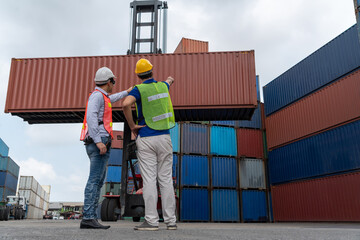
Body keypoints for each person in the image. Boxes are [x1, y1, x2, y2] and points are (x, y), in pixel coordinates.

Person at [122, 58, 177, 231]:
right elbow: (168, 82)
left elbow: (125, 104)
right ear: (152, 71)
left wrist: (132, 126)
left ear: (138, 75)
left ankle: (152, 221)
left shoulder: (139, 89)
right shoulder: (162, 86)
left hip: (146, 137)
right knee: (166, 180)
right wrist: (169, 80)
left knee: (150, 180)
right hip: (164, 138)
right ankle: (171, 221)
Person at [80, 66, 132, 229]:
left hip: (101, 140)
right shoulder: (97, 97)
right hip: (99, 142)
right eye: (113, 82)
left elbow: (112, 98)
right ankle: (88, 217)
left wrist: (126, 92)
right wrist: (98, 141)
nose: (114, 85)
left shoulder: (102, 96)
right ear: (109, 82)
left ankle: (91, 218)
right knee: (94, 181)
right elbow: (91, 117)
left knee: (98, 180)